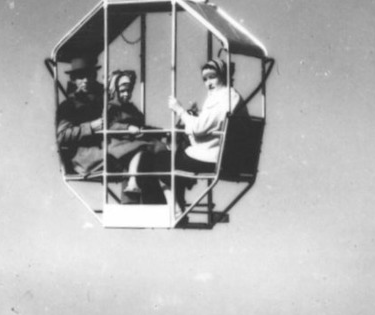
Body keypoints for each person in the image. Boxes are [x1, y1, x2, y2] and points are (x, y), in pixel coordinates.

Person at [168, 59, 239, 205]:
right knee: (171, 159)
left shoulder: (224, 97)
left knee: (161, 161)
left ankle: (173, 206)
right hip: (221, 154)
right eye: (205, 79)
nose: (208, 83)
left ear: (223, 76)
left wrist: (180, 111)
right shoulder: (227, 96)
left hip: (214, 157)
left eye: (212, 77)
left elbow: (199, 129)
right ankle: (176, 205)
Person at [105, 69, 167, 203]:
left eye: (128, 91)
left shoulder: (132, 109)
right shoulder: (111, 108)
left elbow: (141, 126)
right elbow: (109, 126)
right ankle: (132, 181)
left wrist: (160, 131)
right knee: (141, 147)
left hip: (133, 140)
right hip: (119, 143)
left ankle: (163, 191)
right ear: (116, 90)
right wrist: (127, 128)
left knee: (158, 148)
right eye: (122, 91)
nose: (126, 94)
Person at [55, 54, 107, 177]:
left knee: (143, 158)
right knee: (130, 157)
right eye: (80, 76)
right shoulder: (68, 105)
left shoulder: (102, 100)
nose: (86, 80)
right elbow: (62, 135)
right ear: (73, 79)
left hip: (104, 150)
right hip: (83, 158)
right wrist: (91, 127)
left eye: (89, 75)